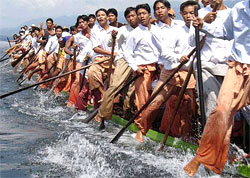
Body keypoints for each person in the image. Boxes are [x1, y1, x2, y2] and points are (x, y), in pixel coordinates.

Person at [184, 0, 250, 176]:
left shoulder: (230, 11)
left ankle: (233, 152)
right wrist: (203, 24)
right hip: (230, 67)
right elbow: (223, 33)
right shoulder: (238, 9)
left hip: (229, 64)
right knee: (219, 110)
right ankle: (205, 156)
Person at [137, 0, 197, 142]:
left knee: (188, 105)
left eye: (162, 8)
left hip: (186, 71)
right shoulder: (155, 30)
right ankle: (141, 129)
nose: (159, 11)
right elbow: (163, 52)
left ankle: (186, 136)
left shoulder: (181, 25)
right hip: (168, 70)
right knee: (155, 103)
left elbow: (194, 42)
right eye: (156, 9)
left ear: (169, 10)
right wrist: (178, 57)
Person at [188, 0, 231, 118]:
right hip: (207, 66)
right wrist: (204, 23)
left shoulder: (233, 14)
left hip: (229, 66)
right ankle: (213, 135)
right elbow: (192, 41)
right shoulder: (200, 14)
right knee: (213, 105)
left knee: (234, 105)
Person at [124, 3, 160, 141]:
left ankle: (156, 125)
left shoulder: (157, 30)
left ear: (149, 15)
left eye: (144, 13)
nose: (141, 16)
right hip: (142, 69)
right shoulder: (134, 34)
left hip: (158, 68)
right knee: (142, 101)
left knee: (158, 100)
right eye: (139, 14)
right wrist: (136, 68)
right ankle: (141, 128)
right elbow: (127, 53)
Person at [96, 7, 139, 122]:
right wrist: (113, 36)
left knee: (130, 91)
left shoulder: (142, 29)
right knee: (115, 86)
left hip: (137, 62)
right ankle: (102, 114)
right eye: (128, 17)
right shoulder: (123, 30)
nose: (131, 19)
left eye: (133, 16)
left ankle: (127, 114)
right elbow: (111, 43)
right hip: (123, 60)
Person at [87, 8, 118, 110]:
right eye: (98, 16)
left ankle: (113, 106)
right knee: (91, 73)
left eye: (103, 15)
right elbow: (95, 48)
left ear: (107, 17)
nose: (100, 17)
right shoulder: (94, 31)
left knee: (115, 83)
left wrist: (114, 54)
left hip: (114, 61)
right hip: (100, 59)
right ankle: (102, 93)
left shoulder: (115, 30)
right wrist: (110, 53)